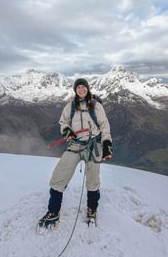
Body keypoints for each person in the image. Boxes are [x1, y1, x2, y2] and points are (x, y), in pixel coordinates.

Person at [38, 78, 113, 228]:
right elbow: (63, 122)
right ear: (75, 90)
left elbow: (104, 125)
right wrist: (66, 130)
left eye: (83, 87)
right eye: (78, 88)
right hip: (76, 144)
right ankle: (53, 212)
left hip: (94, 144)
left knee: (93, 180)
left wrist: (107, 143)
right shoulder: (70, 106)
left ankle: (92, 210)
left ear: (87, 88)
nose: (81, 90)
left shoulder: (96, 105)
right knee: (58, 177)